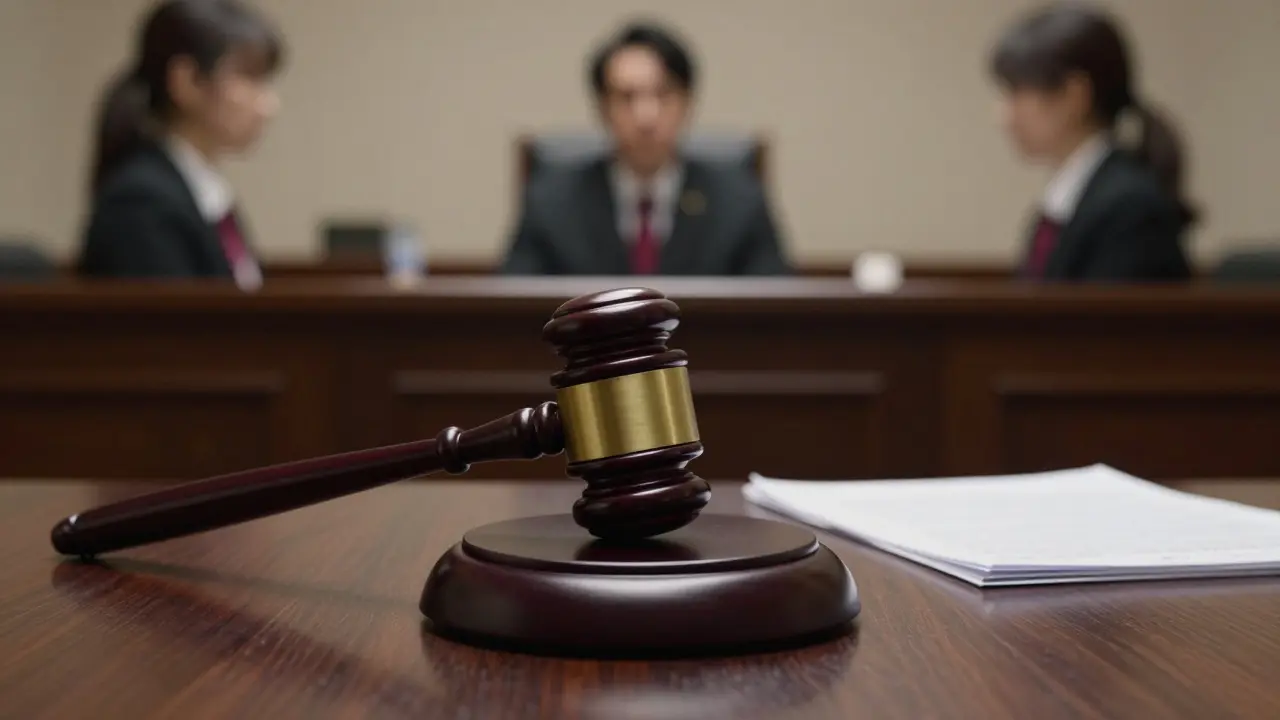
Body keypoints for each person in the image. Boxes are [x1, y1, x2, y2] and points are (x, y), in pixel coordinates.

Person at [501, 21, 790, 276]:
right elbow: (516, 305)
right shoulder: (552, 202)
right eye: (627, 97)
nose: (646, 116)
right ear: (602, 108)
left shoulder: (739, 202)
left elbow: (773, 307)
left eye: (663, 94)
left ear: (687, 103)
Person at [77, 0, 284, 288]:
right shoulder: (141, 204)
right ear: (187, 81)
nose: (270, 105)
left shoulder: (202, 191)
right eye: (249, 78)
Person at [991, 2, 1194, 281]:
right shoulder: (1071, 200)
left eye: (1017, 93)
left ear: (1074, 95)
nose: (1004, 117)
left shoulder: (1130, 210)